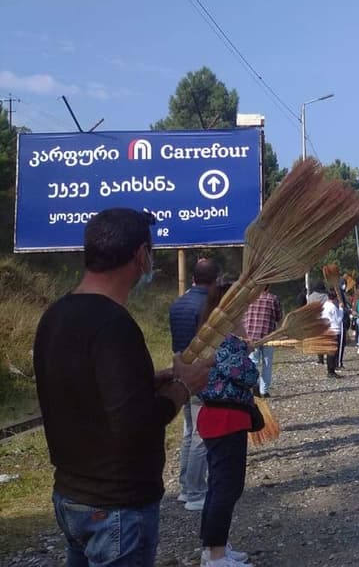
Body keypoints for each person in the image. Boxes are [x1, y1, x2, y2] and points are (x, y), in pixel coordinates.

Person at [33, 208, 212, 566]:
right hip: (116, 507)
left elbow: (84, 393)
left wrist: (148, 382)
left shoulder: (55, 315)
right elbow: (136, 422)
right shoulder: (114, 325)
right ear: (140, 256)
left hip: (71, 496)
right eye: (152, 252)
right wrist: (183, 385)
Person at [196, 282, 257, 567]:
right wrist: (244, 347)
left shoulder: (209, 335)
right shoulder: (223, 340)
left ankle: (214, 548)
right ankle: (216, 555)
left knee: (219, 486)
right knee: (226, 488)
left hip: (219, 418)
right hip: (225, 420)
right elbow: (247, 375)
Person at [170, 257, 221, 512]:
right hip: (201, 375)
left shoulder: (177, 304)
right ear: (216, 281)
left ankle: (183, 487)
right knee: (203, 434)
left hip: (180, 373)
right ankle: (195, 491)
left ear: (193, 279)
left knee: (189, 432)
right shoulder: (210, 308)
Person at [244, 284, 283, 398]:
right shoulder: (272, 298)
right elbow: (278, 317)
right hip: (268, 337)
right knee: (267, 364)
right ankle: (263, 391)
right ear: (268, 286)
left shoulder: (249, 298)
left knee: (253, 362)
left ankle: (253, 387)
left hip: (250, 337)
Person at [322, 292, 345, 378]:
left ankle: (330, 369)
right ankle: (331, 370)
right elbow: (338, 320)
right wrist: (341, 309)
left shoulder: (324, 305)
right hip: (334, 330)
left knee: (329, 351)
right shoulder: (333, 307)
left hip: (327, 330)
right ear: (335, 298)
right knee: (333, 352)